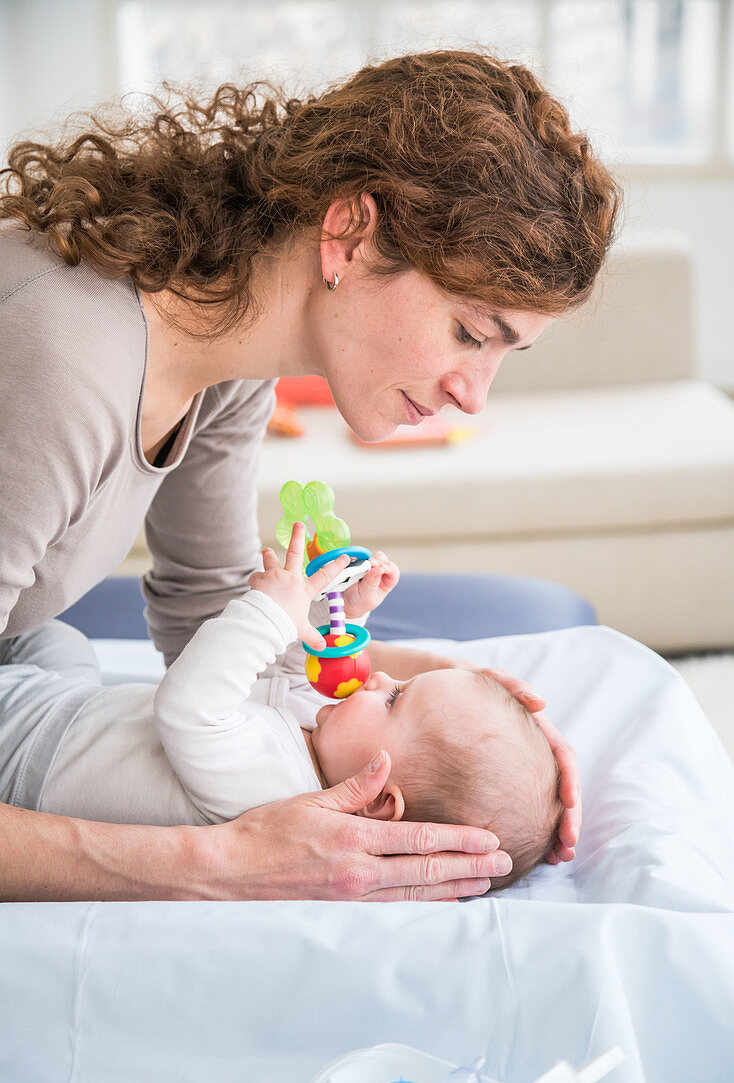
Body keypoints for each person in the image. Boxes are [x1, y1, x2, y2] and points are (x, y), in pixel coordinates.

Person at [0, 49, 618, 900]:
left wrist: (457, 724)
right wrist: (226, 866)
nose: (473, 396)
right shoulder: (62, 360)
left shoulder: (226, 346)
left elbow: (209, 616)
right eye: (471, 333)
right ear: (351, 236)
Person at [0, 524, 563, 891]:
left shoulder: (272, 787)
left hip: (28, 746)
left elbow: (190, 706)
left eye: (395, 698)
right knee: (60, 641)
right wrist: (343, 616)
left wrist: (269, 611)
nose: (381, 678)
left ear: (378, 804)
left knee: (44, 637)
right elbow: (295, 668)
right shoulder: (326, 747)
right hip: (78, 706)